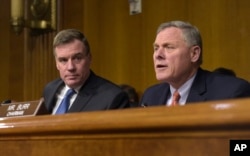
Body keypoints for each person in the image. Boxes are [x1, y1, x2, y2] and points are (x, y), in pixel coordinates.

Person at [140, 20, 250, 107]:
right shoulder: (150, 96)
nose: (158, 55)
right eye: (156, 48)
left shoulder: (231, 93)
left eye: (169, 47)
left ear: (194, 54)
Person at [43, 29, 130, 114]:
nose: (70, 67)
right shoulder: (50, 89)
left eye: (77, 58)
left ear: (89, 58)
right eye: (63, 60)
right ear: (57, 64)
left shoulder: (113, 97)